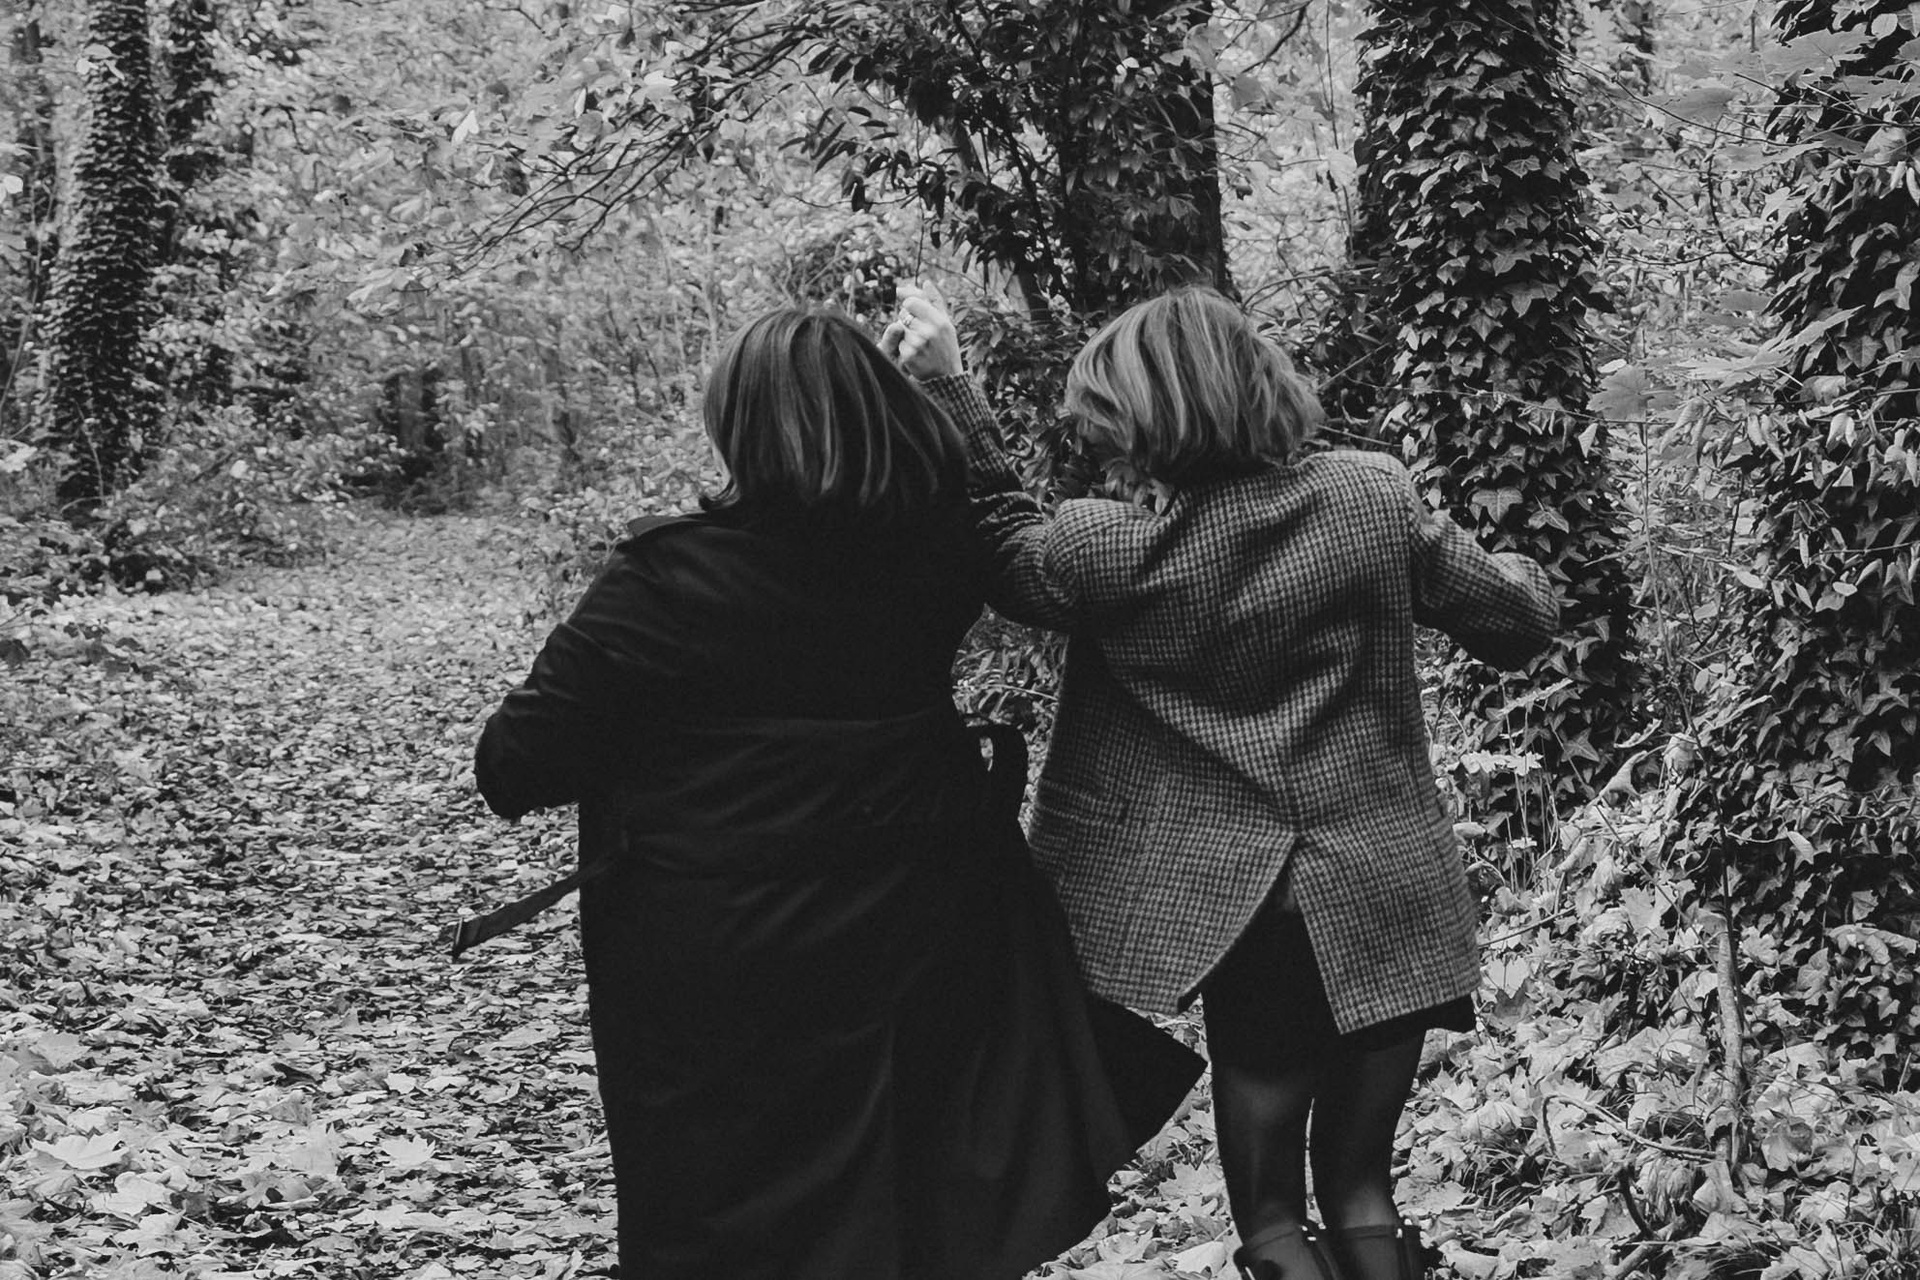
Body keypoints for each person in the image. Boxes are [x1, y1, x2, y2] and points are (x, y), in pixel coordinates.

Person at [473, 306, 1202, 1280]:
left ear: (737, 427)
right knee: (899, 1200)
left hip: (722, 954)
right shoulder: (939, 556)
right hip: (922, 928)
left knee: (727, 1216)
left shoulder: (667, 578)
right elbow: (1002, 522)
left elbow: (514, 764)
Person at [885, 286, 1560, 1280]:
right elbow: (1520, 621)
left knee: (1273, 1216)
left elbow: (1000, 539)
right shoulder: (1369, 499)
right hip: (1389, 891)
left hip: (1254, 921)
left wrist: (948, 384)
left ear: (1139, 422)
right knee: (1363, 1186)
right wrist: (1520, 564)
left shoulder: (1105, 548)